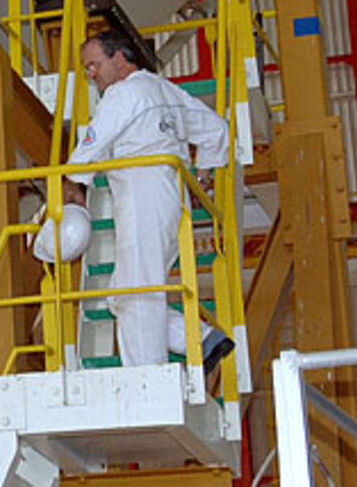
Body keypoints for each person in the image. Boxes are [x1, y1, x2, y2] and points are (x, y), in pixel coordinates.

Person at [64, 30, 235, 375]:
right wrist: (202, 176)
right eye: (86, 69)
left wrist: (69, 184)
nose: (91, 74)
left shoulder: (122, 95)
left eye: (94, 65)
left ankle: (147, 379)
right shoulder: (166, 90)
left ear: (120, 58)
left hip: (142, 194)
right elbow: (216, 129)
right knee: (124, 294)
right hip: (171, 197)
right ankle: (201, 340)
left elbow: (90, 148)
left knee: (137, 293)